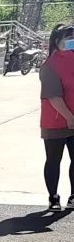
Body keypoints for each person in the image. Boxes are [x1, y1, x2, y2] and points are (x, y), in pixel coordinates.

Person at [39, 22, 74, 211]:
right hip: (55, 121)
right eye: (68, 39)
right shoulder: (50, 65)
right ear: (57, 41)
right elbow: (53, 96)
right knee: (53, 160)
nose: (71, 42)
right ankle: (53, 196)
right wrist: (69, 117)